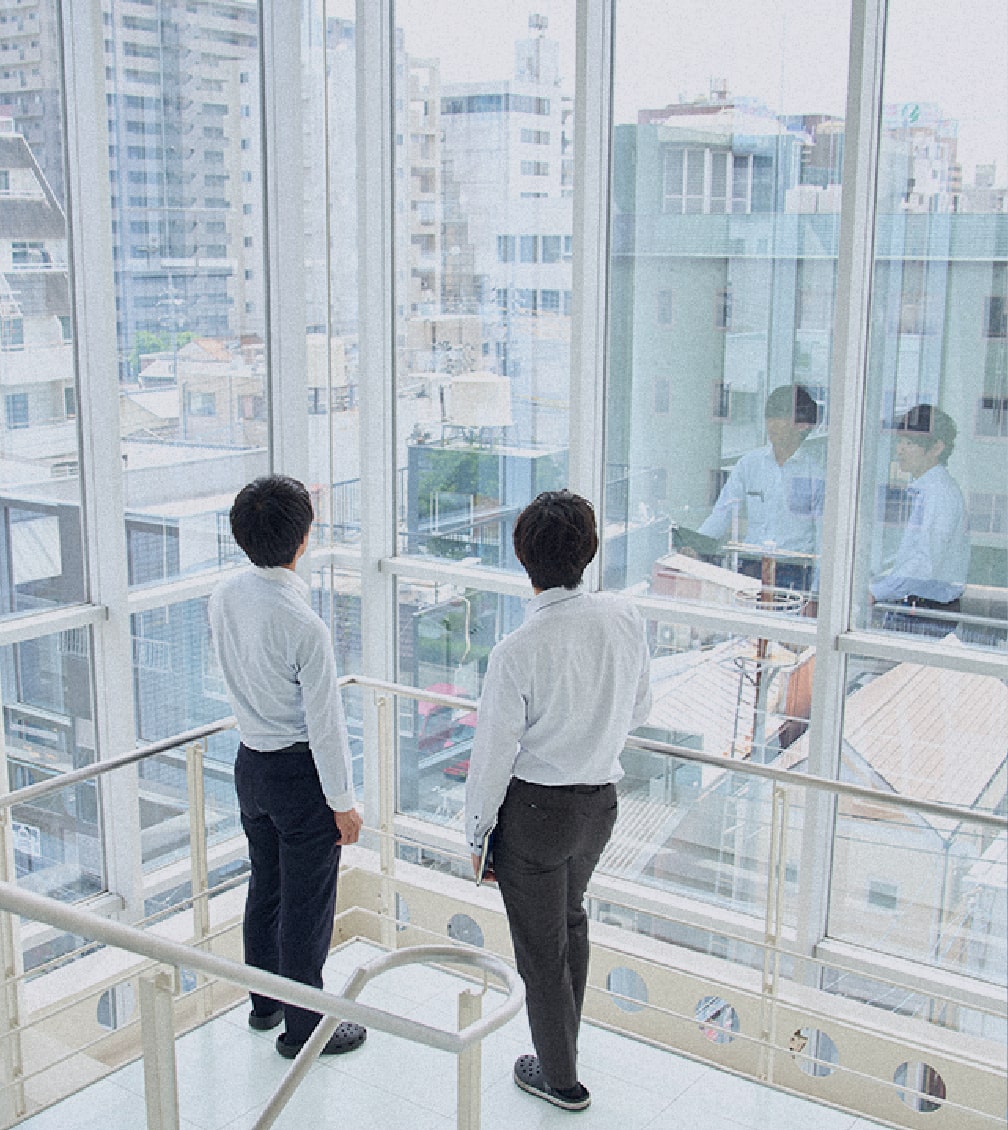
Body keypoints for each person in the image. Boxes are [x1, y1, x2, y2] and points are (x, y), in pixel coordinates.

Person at [464, 490, 651, 1112]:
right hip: (599, 807)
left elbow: (493, 755)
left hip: (536, 815)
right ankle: (562, 1048)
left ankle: (561, 1080)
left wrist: (477, 835)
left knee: (541, 951)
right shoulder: (624, 617)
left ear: (524, 559)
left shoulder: (518, 649)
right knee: (570, 921)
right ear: (589, 551)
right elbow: (639, 708)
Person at [208, 474, 366, 1059]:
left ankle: (265, 1004)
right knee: (306, 908)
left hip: (250, 765)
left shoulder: (225, 595)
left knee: (266, 889)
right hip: (300, 778)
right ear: (304, 539)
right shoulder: (304, 625)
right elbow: (326, 725)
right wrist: (343, 804)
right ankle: (304, 1030)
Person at [697, 383, 824, 592]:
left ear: (802, 425)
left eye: (781, 418)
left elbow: (822, 538)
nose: (772, 425)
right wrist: (695, 546)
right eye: (770, 417)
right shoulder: (749, 465)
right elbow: (722, 513)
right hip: (752, 566)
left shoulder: (816, 474)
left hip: (794, 571)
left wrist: (817, 592)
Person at [870, 404, 969, 637]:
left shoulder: (939, 493)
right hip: (916, 607)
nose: (899, 450)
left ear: (936, 448)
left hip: (927, 613)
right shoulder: (924, 489)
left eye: (910, 443)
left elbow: (924, 563)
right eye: (899, 441)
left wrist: (876, 592)